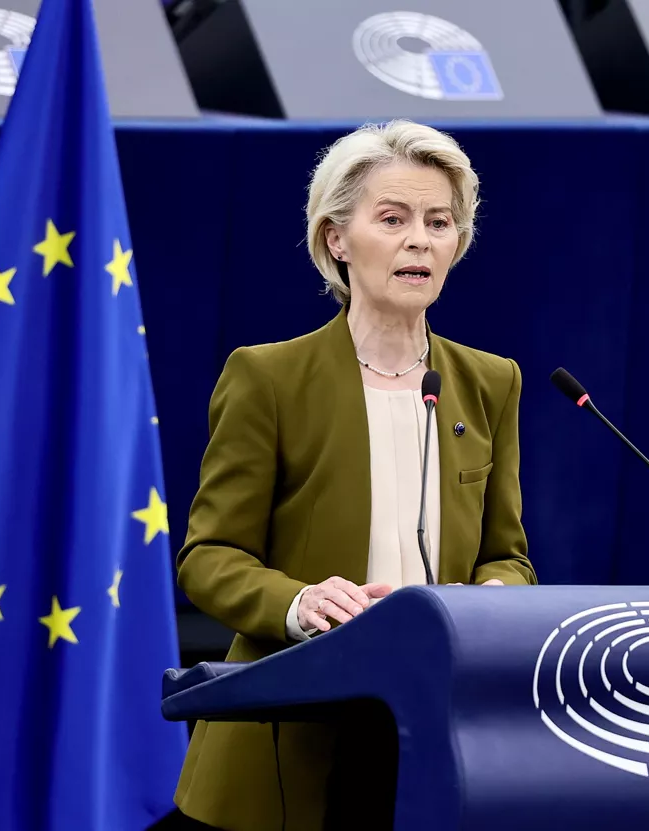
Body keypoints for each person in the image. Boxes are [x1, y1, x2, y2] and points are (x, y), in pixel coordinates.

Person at [171, 119, 537, 831]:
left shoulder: (491, 382)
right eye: (393, 218)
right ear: (337, 238)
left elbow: (508, 554)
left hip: (435, 730)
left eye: (439, 222)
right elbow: (209, 557)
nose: (419, 240)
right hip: (293, 733)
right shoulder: (268, 377)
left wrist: (494, 598)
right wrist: (300, 600)